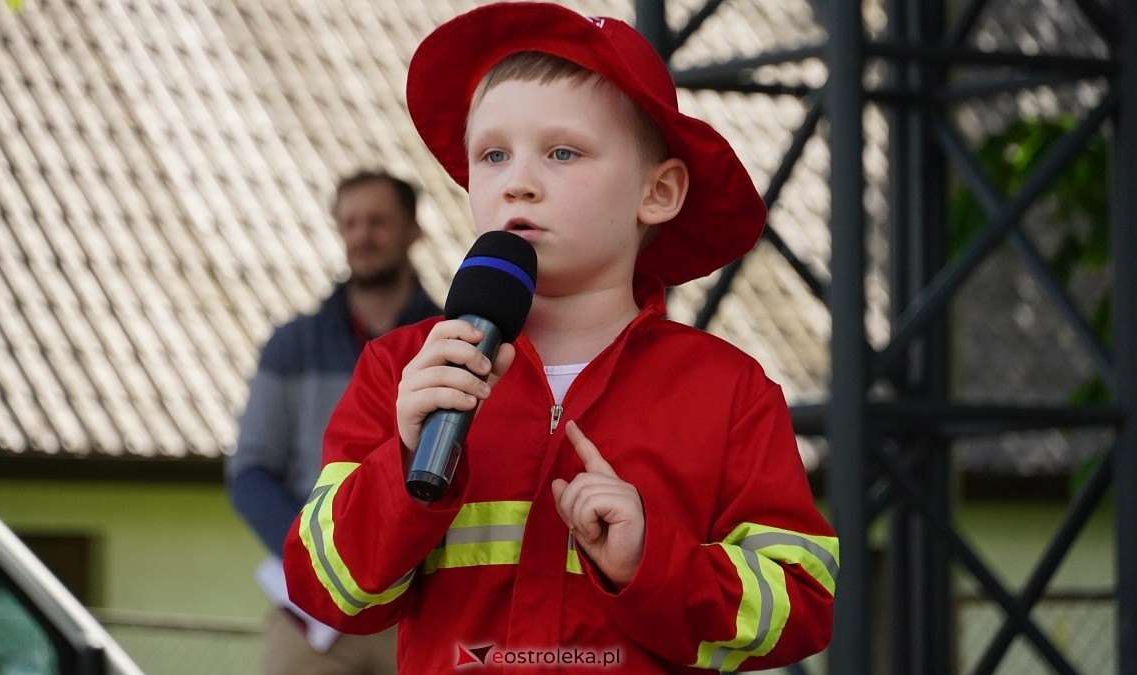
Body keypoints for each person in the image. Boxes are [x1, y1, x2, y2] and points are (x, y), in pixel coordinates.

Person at [283, 4, 839, 673]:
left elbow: (803, 602)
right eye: (491, 155)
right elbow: (326, 588)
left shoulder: (730, 391)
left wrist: (651, 561)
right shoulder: (403, 369)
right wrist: (403, 462)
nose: (517, 180)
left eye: (562, 152)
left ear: (658, 192)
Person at [227, 170, 441, 674]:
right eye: (349, 223)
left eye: (378, 222)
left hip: (421, 600)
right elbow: (250, 472)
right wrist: (316, 559)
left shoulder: (454, 339)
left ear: (414, 230)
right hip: (313, 615)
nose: (361, 236)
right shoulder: (291, 346)